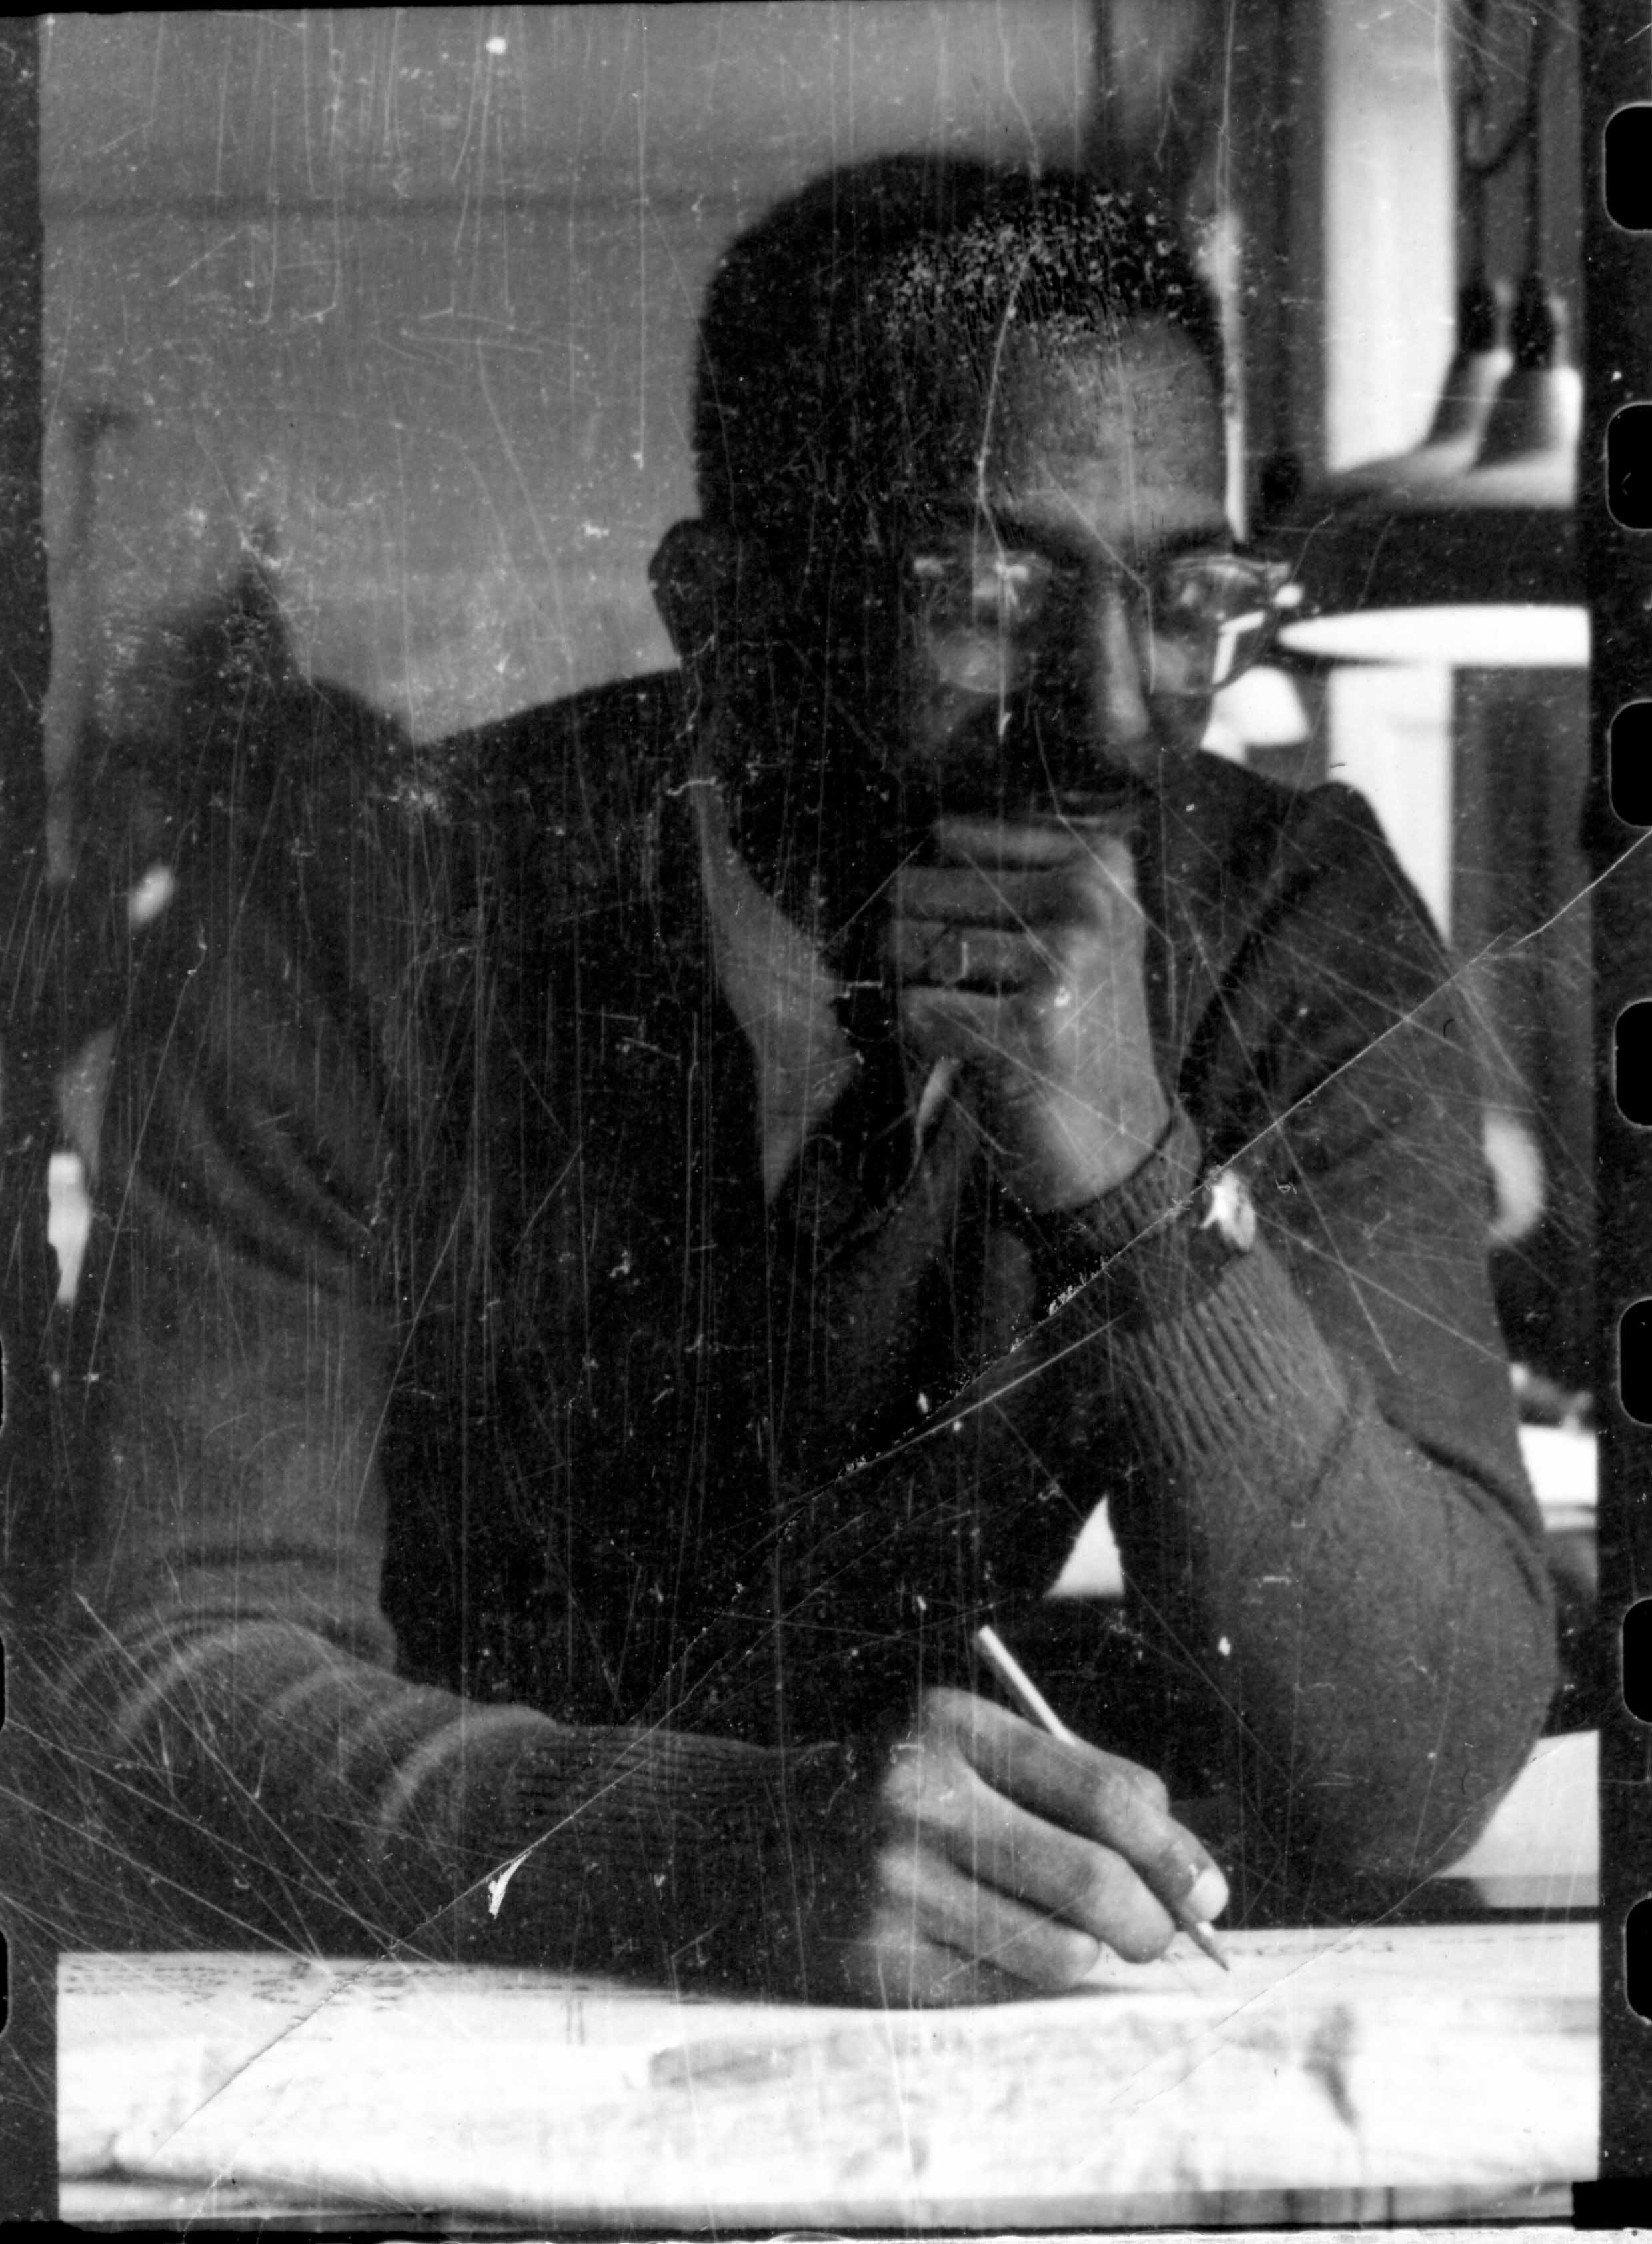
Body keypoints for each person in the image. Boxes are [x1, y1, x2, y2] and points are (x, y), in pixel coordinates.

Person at [19, 156, 1554, 2007]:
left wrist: (1136, 1191)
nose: (1124, 713)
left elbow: (1420, 1775)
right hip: (413, 2019)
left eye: (1186, 595)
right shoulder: (358, 904)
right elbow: (176, 1672)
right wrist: (704, 1850)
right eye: (985, 592)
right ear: (722, 611)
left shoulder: (1290, 914)